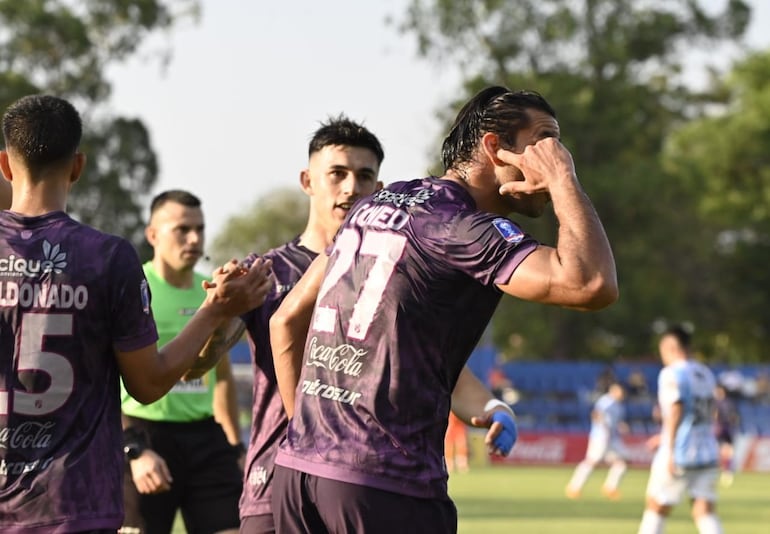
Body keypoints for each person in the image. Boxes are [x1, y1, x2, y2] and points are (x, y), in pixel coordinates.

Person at [269, 85, 618, 533]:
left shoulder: (375, 204)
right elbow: (590, 283)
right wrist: (564, 181)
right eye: (544, 142)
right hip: (383, 483)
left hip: (299, 476)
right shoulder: (463, 226)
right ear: (494, 147)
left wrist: (308, 433)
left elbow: (287, 320)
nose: (555, 155)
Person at [197, 115, 515, 534]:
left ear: (379, 191)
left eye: (364, 176)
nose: (351, 187)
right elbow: (195, 368)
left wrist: (493, 406)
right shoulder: (265, 274)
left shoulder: (400, 268)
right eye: (337, 174)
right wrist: (218, 311)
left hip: (361, 479)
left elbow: (433, 370)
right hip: (274, 483)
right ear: (307, 181)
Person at [0, 94, 272, 532]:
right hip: (74, 502)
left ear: (6, 166)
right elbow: (147, 384)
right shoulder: (107, 257)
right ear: (78, 167)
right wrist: (214, 309)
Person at [120, 190, 244, 534]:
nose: (194, 239)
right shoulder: (130, 287)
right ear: (152, 235)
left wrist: (235, 447)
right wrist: (133, 449)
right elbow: (100, 379)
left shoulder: (211, 293)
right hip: (143, 435)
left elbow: (220, 378)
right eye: (182, 229)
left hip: (205, 438)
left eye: (200, 229)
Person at [637, 325, 723, 534]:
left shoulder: (672, 374)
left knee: (656, 506)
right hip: (708, 450)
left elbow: (676, 409)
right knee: (704, 510)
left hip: (680, 451)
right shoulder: (705, 373)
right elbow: (709, 413)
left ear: (670, 347)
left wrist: (669, 447)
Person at [566, 382, 629, 500]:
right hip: (601, 437)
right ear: (614, 390)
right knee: (592, 461)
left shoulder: (619, 406)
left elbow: (615, 422)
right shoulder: (606, 401)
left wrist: (621, 426)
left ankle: (610, 488)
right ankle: (574, 487)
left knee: (621, 464)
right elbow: (596, 414)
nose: (622, 394)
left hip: (612, 438)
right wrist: (602, 426)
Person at [713, 384, 738, 487]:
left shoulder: (716, 403)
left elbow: (715, 415)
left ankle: (725, 471)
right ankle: (726, 472)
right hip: (726, 429)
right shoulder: (729, 403)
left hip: (720, 429)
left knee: (724, 451)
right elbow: (735, 417)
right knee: (726, 451)